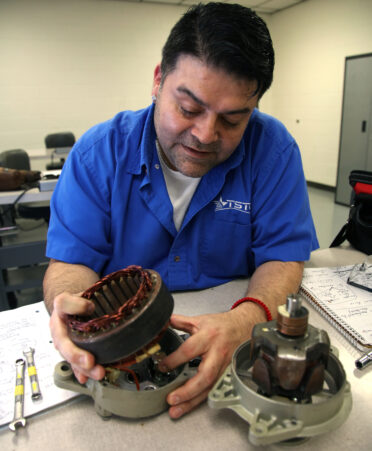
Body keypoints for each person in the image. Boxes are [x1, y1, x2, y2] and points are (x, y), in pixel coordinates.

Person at [43, 2, 318, 419]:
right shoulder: (97, 155)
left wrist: (243, 322)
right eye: (189, 109)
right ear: (158, 80)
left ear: (255, 105)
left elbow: (283, 257)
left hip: (229, 357)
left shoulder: (273, 151)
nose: (205, 135)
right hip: (122, 361)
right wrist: (73, 309)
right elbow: (70, 264)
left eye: (232, 120)